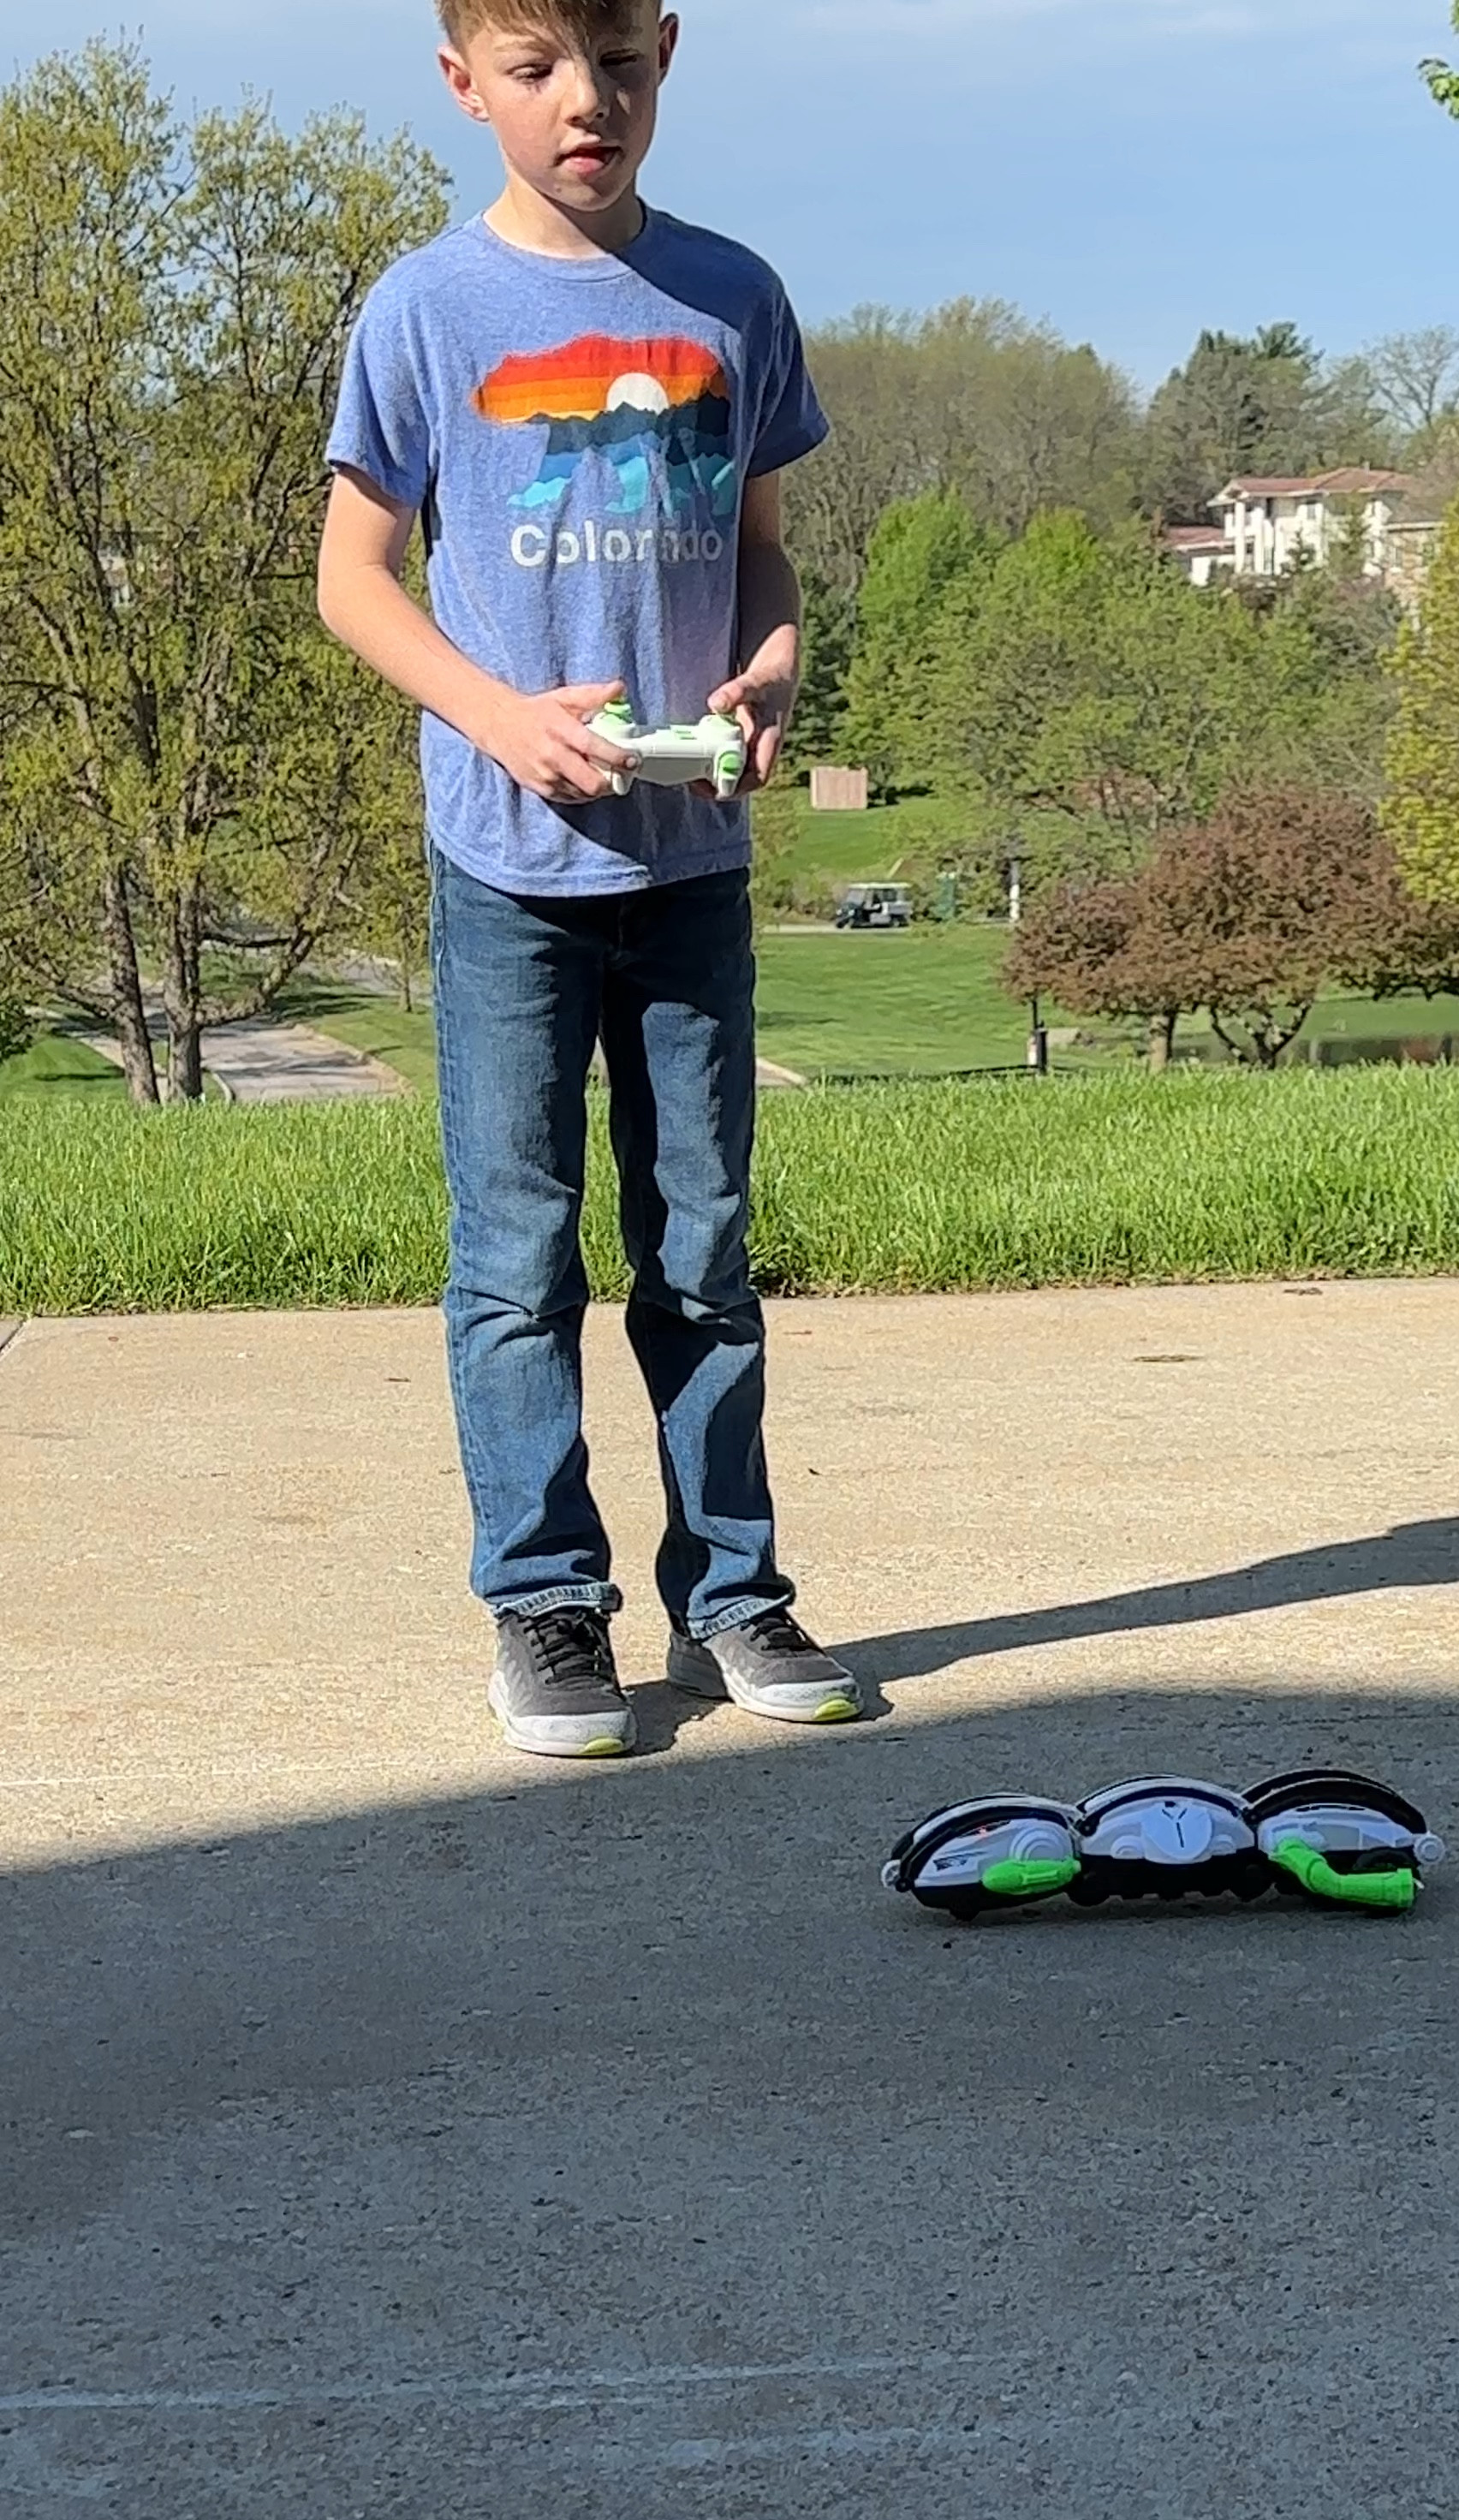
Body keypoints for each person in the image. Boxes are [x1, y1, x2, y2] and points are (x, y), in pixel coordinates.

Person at [318, 0, 863, 1758]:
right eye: (542, 66)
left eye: (618, 63)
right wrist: (493, 717)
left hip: (690, 860)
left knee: (702, 1250)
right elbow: (354, 579)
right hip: (511, 870)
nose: (587, 102)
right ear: (463, 76)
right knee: (515, 1257)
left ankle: (732, 1598)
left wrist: (770, 677)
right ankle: (545, 1609)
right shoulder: (427, 309)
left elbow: (768, 563)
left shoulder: (731, 298)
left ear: (667, 59)